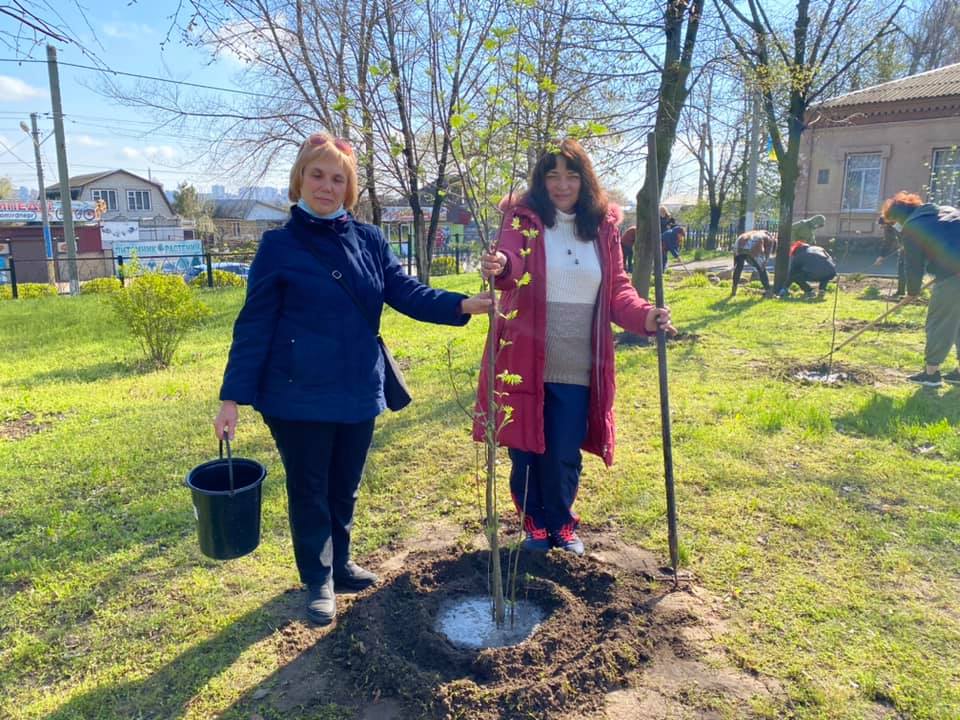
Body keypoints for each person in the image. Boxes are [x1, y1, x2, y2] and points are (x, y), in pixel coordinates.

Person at [213, 132, 491, 625]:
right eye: (317, 175)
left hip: (360, 387)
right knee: (310, 487)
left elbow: (404, 291)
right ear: (300, 180)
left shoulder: (369, 240)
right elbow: (253, 324)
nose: (326, 185)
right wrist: (231, 398)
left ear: (350, 187)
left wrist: (461, 304)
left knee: (345, 485)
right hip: (296, 394)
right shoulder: (278, 246)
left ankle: (339, 565)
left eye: (337, 178)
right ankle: (317, 580)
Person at [474, 138, 675, 557]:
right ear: (540, 181)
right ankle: (534, 524)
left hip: (577, 362)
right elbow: (511, 263)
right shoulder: (522, 219)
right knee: (525, 450)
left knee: (563, 451)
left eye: (571, 174)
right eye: (552, 175)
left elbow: (618, 290)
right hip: (524, 357)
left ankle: (562, 524)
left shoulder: (603, 228)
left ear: (585, 180)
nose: (562, 184)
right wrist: (502, 266)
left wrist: (645, 316)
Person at [881, 191, 960, 387]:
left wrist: (912, 292)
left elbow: (913, 264)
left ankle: (931, 373)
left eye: (893, 223)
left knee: (939, 321)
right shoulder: (946, 211)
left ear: (899, 218)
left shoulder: (912, 227)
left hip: (953, 276)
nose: (895, 227)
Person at [731, 229, 777, 296]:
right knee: (761, 269)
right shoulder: (771, 240)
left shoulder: (756, 233)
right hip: (754, 243)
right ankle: (768, 291)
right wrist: (762, 264)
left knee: (739, 267)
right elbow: (766, 256)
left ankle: (734, 290)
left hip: (739, 242)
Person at [874, 215, 907, 298]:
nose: (881, 227)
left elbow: (908, 234)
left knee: (909, 270)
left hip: (914, 249)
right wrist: (881, 256)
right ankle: (901, 292)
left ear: (887, 222)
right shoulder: (888, 229)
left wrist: (906, 244)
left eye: (882, 225)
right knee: (901, 268)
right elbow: (887, 242)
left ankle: (912, 293)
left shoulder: (898, 224)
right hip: (904, 250)